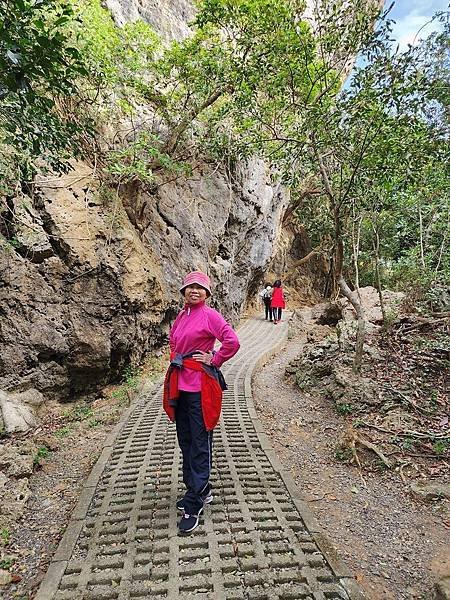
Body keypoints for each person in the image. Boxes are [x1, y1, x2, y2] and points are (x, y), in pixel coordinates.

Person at [163, 270, 240, 534]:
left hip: (199, 389)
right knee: (186, 440)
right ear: (183, 291)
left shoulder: (210, 315)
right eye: (189, 287)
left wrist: (215, 359)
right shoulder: (182, 315)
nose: (193, 291)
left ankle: (194, 502)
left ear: (207, 293)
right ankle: (201, 489)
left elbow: (232, 341)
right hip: (180, 386)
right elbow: (175, 343)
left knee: (199, 443)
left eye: (199, 288)